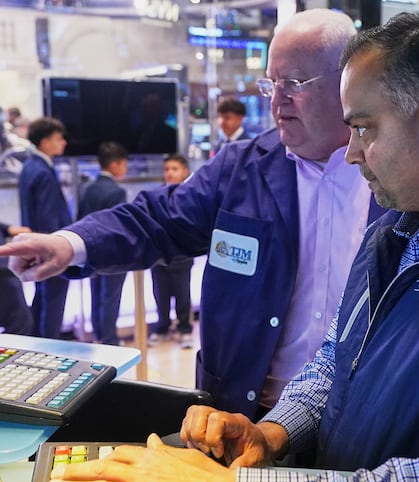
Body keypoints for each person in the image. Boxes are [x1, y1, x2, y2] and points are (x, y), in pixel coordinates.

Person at [41, 12, 419, 482]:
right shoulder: (397, 227)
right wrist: (272, 432)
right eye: (271, 84)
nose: (353, 152)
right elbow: (339, 360)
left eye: (364, 128)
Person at [0, 9, 383, 420]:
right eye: (271, 83)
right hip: (243, 416)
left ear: (347, 82)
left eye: (292, 83)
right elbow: (158, 220)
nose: (276, 101)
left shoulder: (392, 176)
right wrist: (68, 244)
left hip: (359, 421)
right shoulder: (242, 169)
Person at [18, 116, 71, 338]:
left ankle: (38, 346)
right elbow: (48, 217)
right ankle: (51, 349)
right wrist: (56, 248)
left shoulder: (30, 166)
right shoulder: (42, 171)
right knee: (53, 302)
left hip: (35, 245)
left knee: (42, 299)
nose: (64, 143)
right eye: (58, 138)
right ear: (44, 142)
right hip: (49, 247)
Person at [78, 142, 129, 345]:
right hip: (111, 253)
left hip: (90, 252)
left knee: (97, 295)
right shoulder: (116, 192)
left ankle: (99, 335)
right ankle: (110, 340)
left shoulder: (88, 189)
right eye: (124, 164)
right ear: (115, 165)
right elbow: (118, 226)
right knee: (110, 298)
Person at [149, 153, 194, 349]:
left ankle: (185, 329)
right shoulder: (156, 196)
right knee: (161, 296)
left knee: (183, 296)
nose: (169, 173)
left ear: (185, 172)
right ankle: (162, 328)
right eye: (167, 169)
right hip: (159, 257)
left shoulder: (191, 195)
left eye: (174, 169)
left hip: (182, 256)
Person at [0, 221, 33, 334]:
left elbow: (18, 230)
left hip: (8, 272)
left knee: (21, 322)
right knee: (21, 324)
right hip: (5, 275)